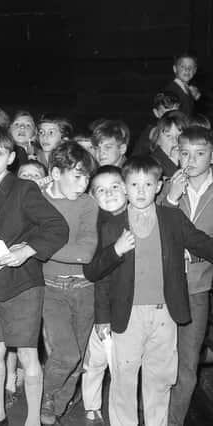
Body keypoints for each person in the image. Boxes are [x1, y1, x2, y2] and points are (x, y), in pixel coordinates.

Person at [0, 124, 69, 426]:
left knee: (26, 355)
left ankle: (33, 420)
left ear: (11, 158)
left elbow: (57, 227)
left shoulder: (24, 189)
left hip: (23, 285)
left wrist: (28, 250)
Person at [92, 156, 213, 426]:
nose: (141, 190)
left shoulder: (171, 218)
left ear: (159, 186)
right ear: (124, 187)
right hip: (127, 315)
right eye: (134, 184)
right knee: (124, 380)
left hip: (164, 315)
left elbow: (201, 243)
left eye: (148, 184)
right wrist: (102, 316)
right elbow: (99, 275)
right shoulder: (112, 225)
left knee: (159, 380)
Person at [40, 142, 99, 425]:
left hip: (85, 289)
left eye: (87, 176)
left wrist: (40, 248)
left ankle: (54, 410)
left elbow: (86, 252)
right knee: (67, 353)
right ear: (55, 173)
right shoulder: (37, 201)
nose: (84, 183)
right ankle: (46, 398)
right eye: (77, 176)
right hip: (51, 289)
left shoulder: (88, 203)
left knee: (77, 365)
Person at [162, 126, 213, 425]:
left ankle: (173, 421)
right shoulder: (167, 186)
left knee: (186, 366)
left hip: (196, 289)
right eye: (185, 153)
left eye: (200, 153)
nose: (191, 160)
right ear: (176, 154)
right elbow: (149, 229)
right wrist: (170, 200)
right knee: (157, 362)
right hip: (161, 287)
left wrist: (194, 252)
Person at [82, 165, 130, 426]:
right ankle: (92, 406)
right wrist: (117, 250)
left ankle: (123, 415)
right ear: (93, 196)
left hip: (135, 307)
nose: (109, 193)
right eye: (101, 189)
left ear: (126, 186)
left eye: (114, 186)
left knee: (124, 367)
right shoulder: (97, 225)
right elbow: (96, 273)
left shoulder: (140, 216)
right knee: (97, 360)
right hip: (104, 306)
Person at [131, 92, 180, 157]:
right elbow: (135, 159)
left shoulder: (185, 130)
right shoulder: (149, 133)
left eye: (175, 113)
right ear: (156, 113)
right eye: (166, 114)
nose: (171, 118)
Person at [149, 111, 189, 179]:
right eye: (168, 136)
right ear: (158, 140)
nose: (175, 141)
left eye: (179, 135)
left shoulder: (190, 158)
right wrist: (173, 163)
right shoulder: (152, 164)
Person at [164, 52, 200, 117]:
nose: (187, 70)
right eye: (182, 66)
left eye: (190, 67)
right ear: (175, 69)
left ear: (195, 71)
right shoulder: (171, 91)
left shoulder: (189, 90)